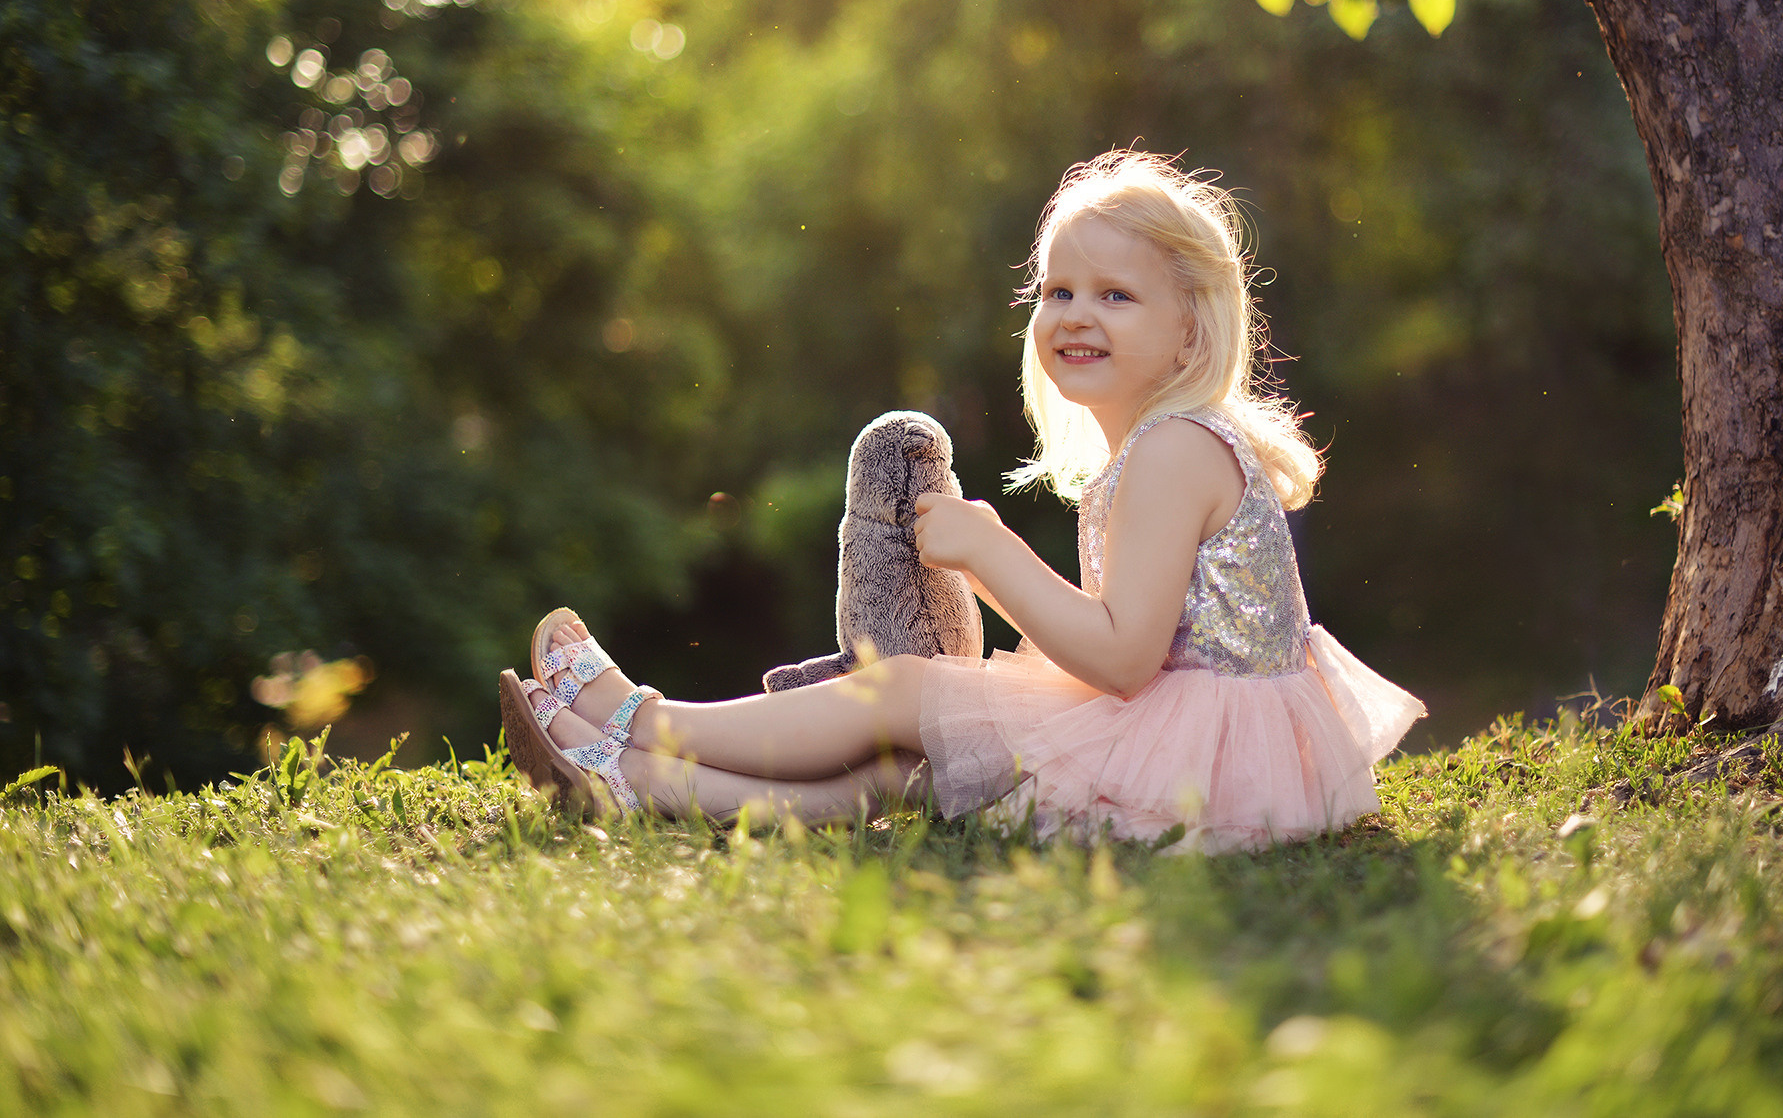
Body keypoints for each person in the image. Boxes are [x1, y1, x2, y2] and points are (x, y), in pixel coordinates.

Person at [499, 150, 1426, 853]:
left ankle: (640, 719)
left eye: (1116, 293)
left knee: (905, 692)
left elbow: (1124, 659)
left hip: (1200, 767)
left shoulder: (1177, 449)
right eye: (1059, 289)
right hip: (1203, 750)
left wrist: (990, 554)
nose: (1076, 313)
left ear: (1190, 326)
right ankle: (632, 780)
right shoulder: (1154, 446)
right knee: (914, 760)